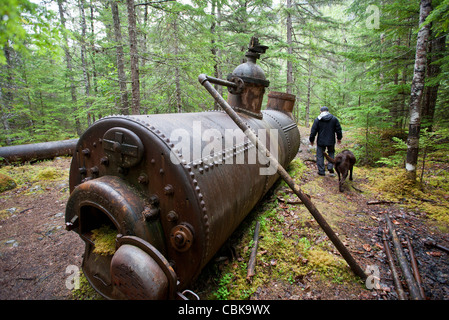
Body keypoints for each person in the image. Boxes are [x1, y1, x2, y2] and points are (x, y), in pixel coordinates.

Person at [309, 106, 342, 176]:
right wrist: (339, 138)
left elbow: (313, 131)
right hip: (331, 140)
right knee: (331, 152)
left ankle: (321, 171)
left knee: (320, 155)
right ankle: (330, 166)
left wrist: (311, 140)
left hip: (321, 141)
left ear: (321, 111)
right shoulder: (334, 119)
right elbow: (338, 129)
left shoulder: (318, 119)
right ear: (328, 111)